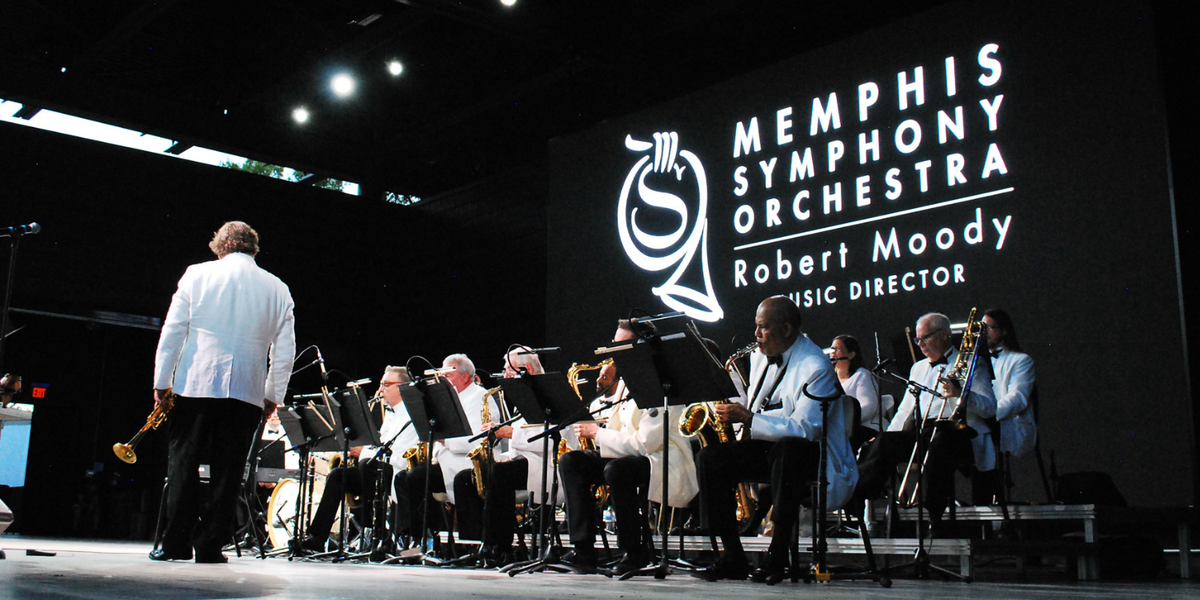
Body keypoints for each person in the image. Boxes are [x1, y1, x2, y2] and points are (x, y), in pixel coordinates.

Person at [150, 221, 296, 563]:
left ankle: (175, 543)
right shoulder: (277, 287)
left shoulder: (196, 274)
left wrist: (162, 381)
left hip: (196, 383)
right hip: (246, 390)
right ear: (252, 247)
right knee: (229, 471)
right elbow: (285, 350)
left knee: (184, 465)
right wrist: (273, 393)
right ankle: (211, 546)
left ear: (221, 245)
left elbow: (173, 331)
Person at [696, 296, 857, 582]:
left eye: (763, 328)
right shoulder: (761, 356)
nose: (756, 335)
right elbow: (759, 404)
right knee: (712, 458)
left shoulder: (816, 366)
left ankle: (778, 552)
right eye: (756, 327)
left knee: (789, 449)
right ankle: (731, 554)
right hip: (772, 450)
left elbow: (806, 430)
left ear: (786, 329)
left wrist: (748, 419)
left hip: (812, 455)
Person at [559, 320, 699, 575]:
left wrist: (598, 434)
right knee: (573, 462)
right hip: (626, 454)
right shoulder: (626, 379)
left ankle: (634, 551)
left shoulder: (663, 377)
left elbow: (645, 443)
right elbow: (618, 427)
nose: (614, 350)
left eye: (621, 345)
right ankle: (583, 550)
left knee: (617, 470)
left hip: (662, 459)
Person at [856, 312, 998, 526]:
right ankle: (861, 493)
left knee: (940, 442)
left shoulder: (973, 364)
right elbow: (905, 410)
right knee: (884, 442)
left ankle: (933, 512)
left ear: (944, 335)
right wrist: (888, 435)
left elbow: (989, 408)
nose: (920, 344)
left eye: (925, 338)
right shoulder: (918, 368)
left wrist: (962, 394)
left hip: (958, 433)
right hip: (924, 429)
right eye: (917, 339)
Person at [303, 366, 417, 551]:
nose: (381, 390)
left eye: (386, 385)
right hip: (376, 470)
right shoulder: (390, 413)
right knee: (337, 476)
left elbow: (398, 458)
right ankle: (316, 538)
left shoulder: (412, 415)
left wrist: (362, 452)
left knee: (366, 465)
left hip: (396, 474)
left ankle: (377, 533)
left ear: (403, 387)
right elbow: (381, 446)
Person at [983, 309, 1036, 458]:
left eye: (989, 328)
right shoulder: (976, 362)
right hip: (986, 423)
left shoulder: (1021, 360)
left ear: (1004, 331)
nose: (984, 333)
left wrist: (989, 414)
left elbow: (1018, 397)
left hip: (1010, 424)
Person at [829, 335, 887, 434]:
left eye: (837, 349)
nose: (833, 352)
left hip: (866, 429)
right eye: (832, 349)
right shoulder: (830, 379)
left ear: (851, 355)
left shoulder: (862, 375)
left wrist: (846, 420)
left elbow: (869, 406)